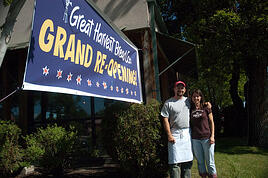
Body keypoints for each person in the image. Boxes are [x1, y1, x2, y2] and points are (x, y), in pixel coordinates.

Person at [161, 81, 193, 178]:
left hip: (187, 134)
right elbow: (165, 119)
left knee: (187, 162)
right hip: (174, 133)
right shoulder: (168, 103)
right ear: (174, 89)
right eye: (178, 88)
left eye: (182, 88)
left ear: (185, 90)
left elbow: (199, 103)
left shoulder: (189, 101)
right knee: (175, 163)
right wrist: (169, 135)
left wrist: (207, 104)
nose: (180, 89)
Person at [190, 89, 217, 178]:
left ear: (201, 97)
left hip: (207, 138)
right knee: (200, 162)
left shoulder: (206, 108)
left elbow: (212, 122)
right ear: (192, 98)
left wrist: (212, 136)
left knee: (210, 162)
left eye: (197, 96)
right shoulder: (190, 108)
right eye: (194, 96)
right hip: (195, 139)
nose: (196, 98)